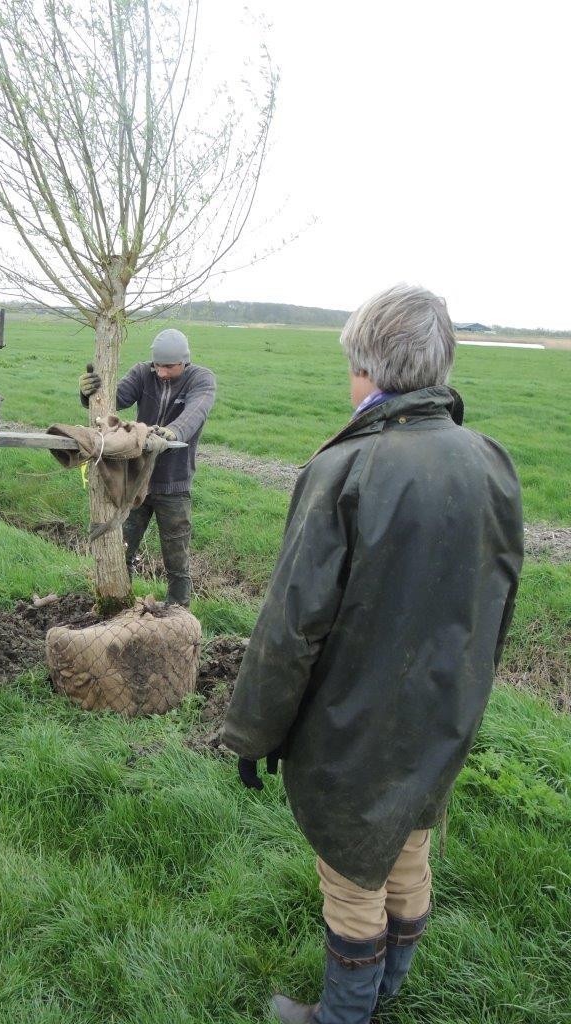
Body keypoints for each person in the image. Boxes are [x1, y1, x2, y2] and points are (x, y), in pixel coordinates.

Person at [220, 284, 524, 1024]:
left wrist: (250, 734)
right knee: (412, 843)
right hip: (445, 711)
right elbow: (500, 600)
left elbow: (292, 627)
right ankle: (391, 988)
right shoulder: (491, 461)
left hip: (354, 721)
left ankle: (343, 1014)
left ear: (366, 370)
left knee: (353, 871)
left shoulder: (345, 469)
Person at [79, 328, 216, 607]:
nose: (162, 372)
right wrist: (89, 393)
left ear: (184, 361)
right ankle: (120, 605)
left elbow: (195, 412)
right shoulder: (143, 373)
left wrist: (173, 432)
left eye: (169, 366)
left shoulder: (201, 379)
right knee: (123, 548)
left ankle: (179, 613)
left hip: (173, 485)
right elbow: (113, 399)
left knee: (177, 558)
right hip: (138, 480)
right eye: (158, 366)